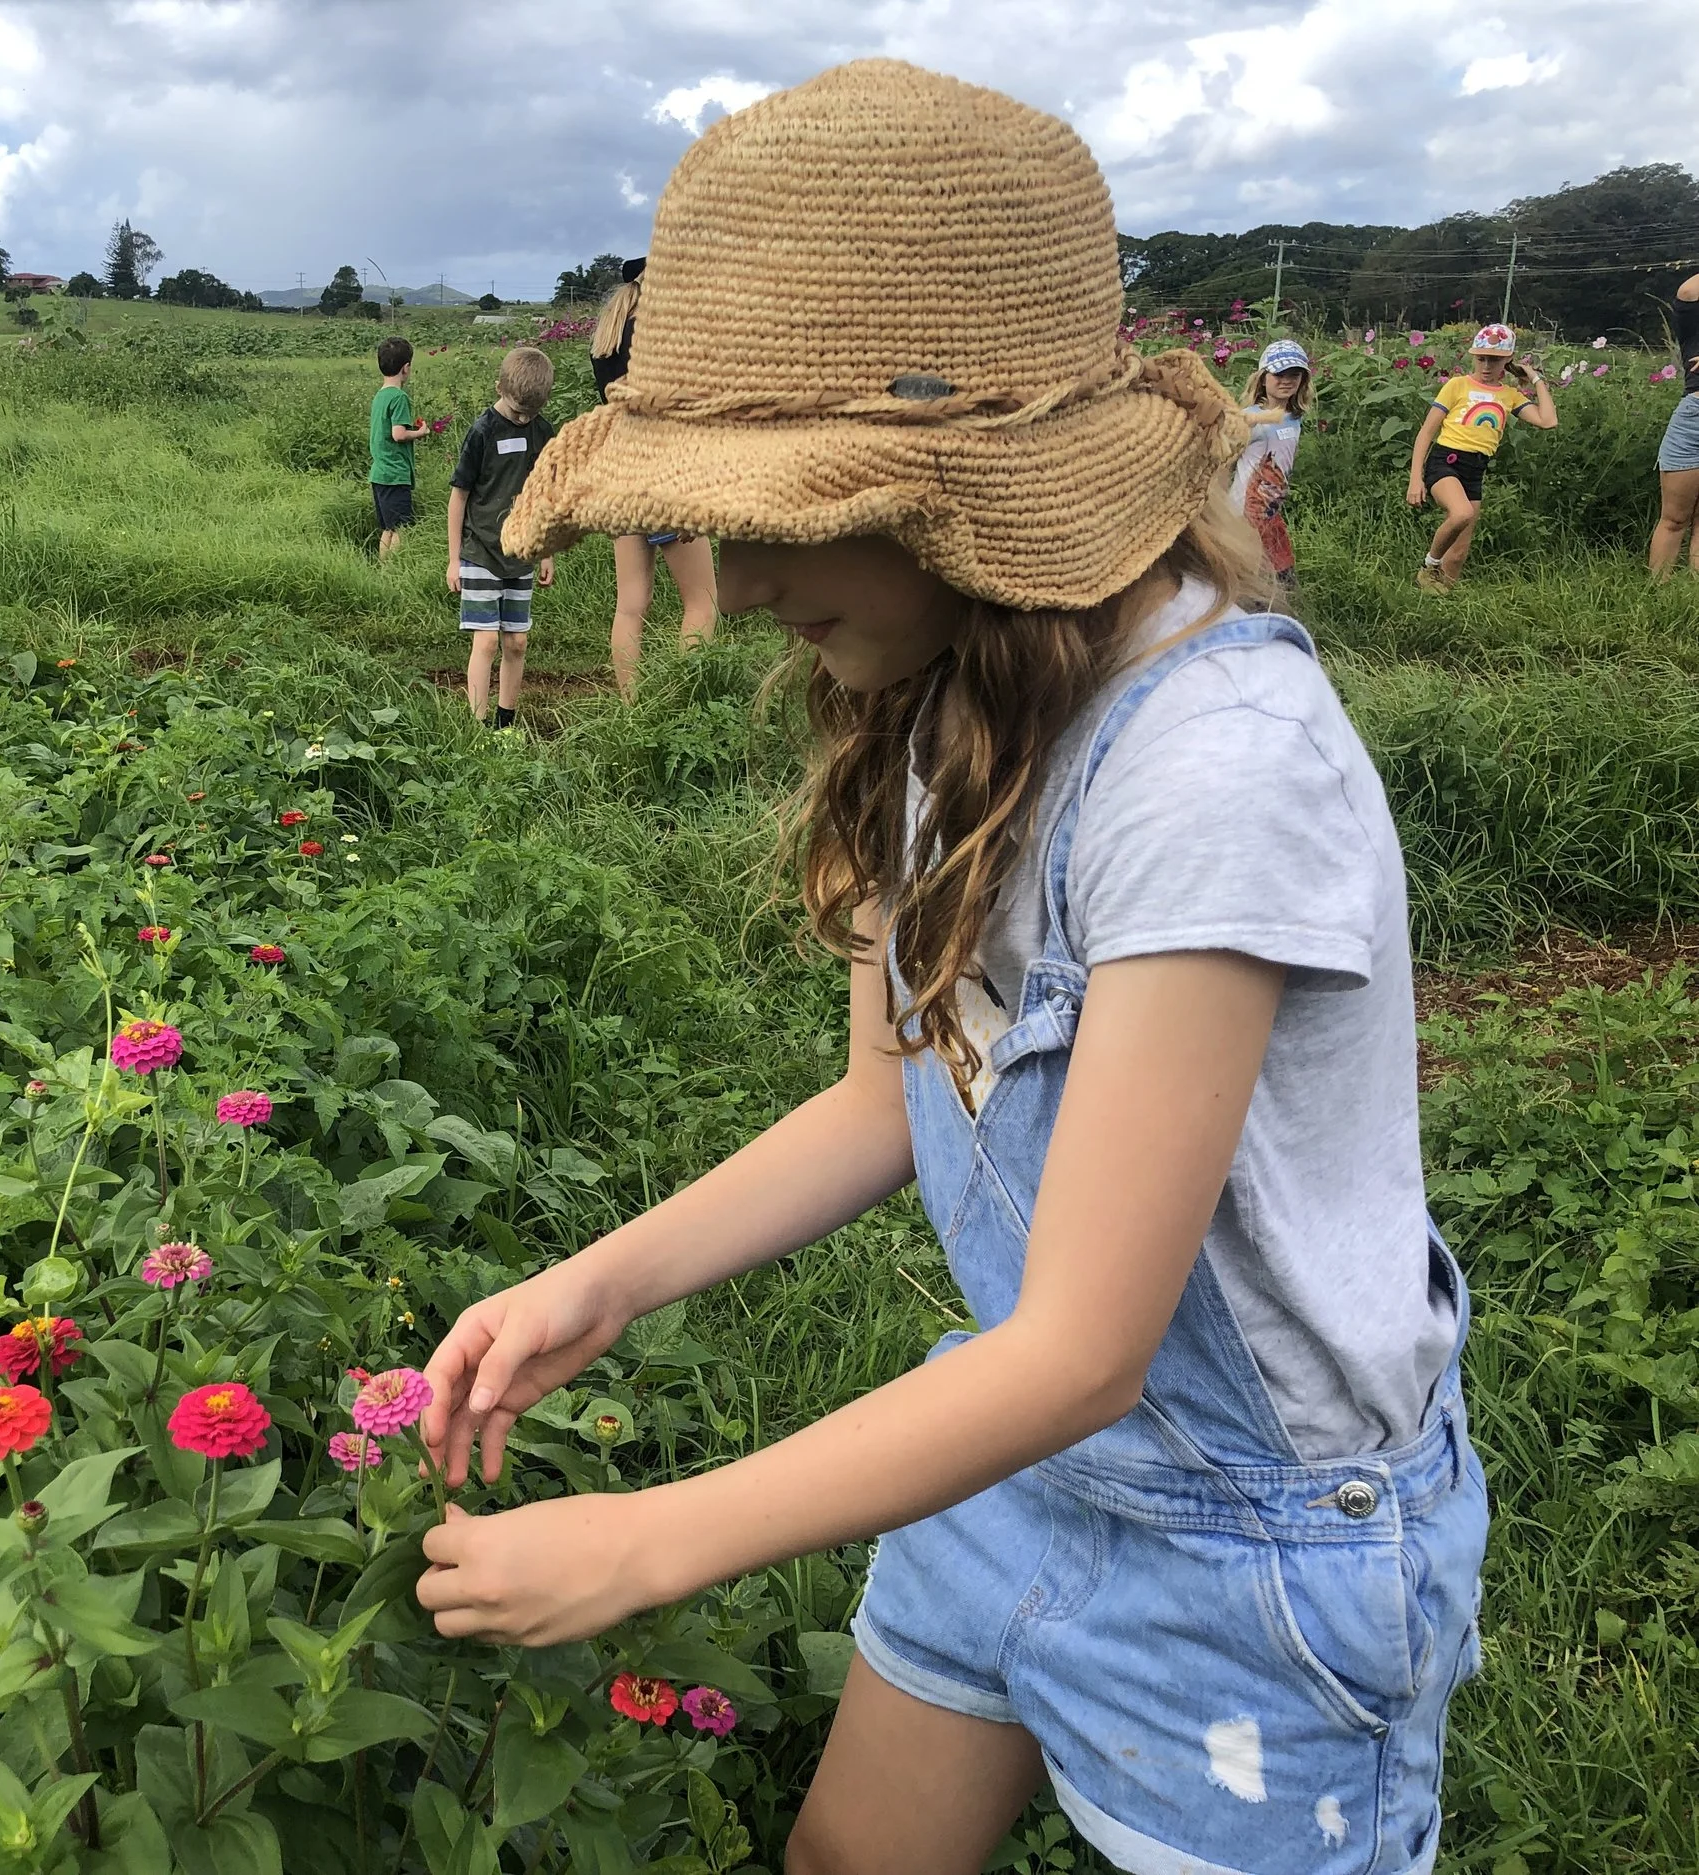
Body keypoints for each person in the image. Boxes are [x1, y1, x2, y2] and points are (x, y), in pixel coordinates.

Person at [416, 60, 1485, 1875]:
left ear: (969, 497)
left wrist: (648, 1540)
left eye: (784, 517)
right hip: (1005, 1445)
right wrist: (604, 1282)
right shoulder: (937, 703)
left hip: (1256, 1542)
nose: (744, 584)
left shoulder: (1215, 767)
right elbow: (883, 1099)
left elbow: (1085, 1347)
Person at [589, 256, 720, 697]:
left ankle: (632, 707)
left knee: (630, 604)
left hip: (620, 469)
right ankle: (682, 704)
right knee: (702, 601)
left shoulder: (608, 338)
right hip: (663, 471)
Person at [446, 346, 557, 729]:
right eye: (517, 411)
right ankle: (477, 728)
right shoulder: (482, 432)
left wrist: (546, 551)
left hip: (521, 554)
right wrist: (454, 559)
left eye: (531, 413)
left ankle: (505, 722)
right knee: (487, 641)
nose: (524, 419)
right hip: (480, 551)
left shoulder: (543, 433)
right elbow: (459, 496)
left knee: (516, 642)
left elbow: (544, 495)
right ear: (499, 389)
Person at [1405, 323, 1556, 590]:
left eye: (1494, 360)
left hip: (1475, 469)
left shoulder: (1509, 395)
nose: (1486, 366)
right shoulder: (1457, 385)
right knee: (1461, 513)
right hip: (1446, 461)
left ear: (1508, 359)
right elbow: (1426, 433)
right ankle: (1428, 566)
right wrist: (1415, 479)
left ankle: (1439, 601)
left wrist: (1535, 378)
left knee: (1458, 554)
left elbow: (1548, 421)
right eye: (1481, 358)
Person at [1232, 337, 1312, 590]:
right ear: (1263, 378)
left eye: (1294, 374)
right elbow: (1223, 458)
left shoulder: (1294, 417)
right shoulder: (1251, 419)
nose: (1286, 381)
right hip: (1246, 513)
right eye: (1279, 374)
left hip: (1271, 510)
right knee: (1252, 578)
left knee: (1280, 574)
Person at [1650, 270, 1699, 580]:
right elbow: (1689, 291)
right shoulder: (1694, 318)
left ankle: (1692, 596)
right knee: (1674, 519)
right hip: (1694, 420)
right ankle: (1656, 595)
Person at [368, 335, 423, 558]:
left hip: (379, 474)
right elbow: (398, 434)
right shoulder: (399, 397)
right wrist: (420, 432)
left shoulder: (380, 396)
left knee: (387, 528)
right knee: (401, 529)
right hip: (395, 474)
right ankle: (397, 568)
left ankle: (384, 569)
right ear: (406, 368)